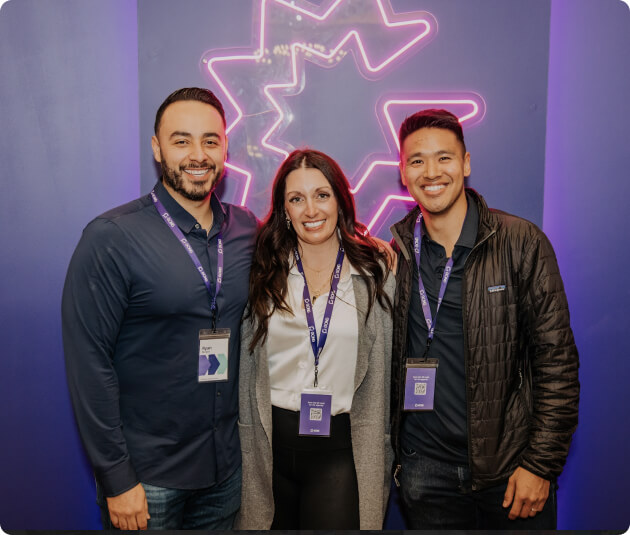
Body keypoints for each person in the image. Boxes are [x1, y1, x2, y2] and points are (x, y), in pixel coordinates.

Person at [62, 88, 258, 530]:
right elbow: (89, 365)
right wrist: (116, 478)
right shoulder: (112, 237)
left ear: (225, 147)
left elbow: (305, 259)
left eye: (210, 140)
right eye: (181, 140)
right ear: (157, 148)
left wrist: (371, 251)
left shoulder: (246, 228)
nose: (198, 154)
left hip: (225, 471)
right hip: (148, 481)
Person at [390, 109, 579, 530]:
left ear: (466, 164)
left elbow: (557, 363)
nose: (431, 172)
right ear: (403, 172)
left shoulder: (520, 242)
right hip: (426, 473)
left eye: (445, 158)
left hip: (511, 474)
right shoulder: (396, 254)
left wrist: (541, 465)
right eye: (417, 161)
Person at [236, 149, 394, 530]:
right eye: (296, 199)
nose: (311, 210)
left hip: (339, 454)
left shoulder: (376, 272)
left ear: (340, 199)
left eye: (322, 195)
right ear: (284, 210)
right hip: (267, 451)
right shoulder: (262, 270)